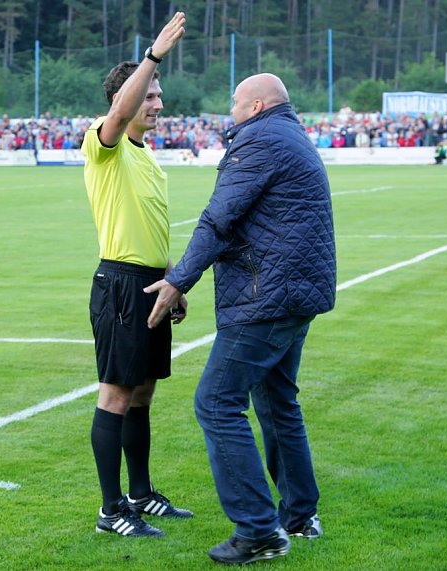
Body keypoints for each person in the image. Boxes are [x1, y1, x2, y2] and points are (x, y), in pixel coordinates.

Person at [144, 73, 336, 564]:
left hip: (266, 295)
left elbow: (218, 219)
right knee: (276, 401)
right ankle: (299, 516)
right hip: (294, 292)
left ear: (255, 105)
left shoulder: (259, 142)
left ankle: (258, 529)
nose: (228, 110)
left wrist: (178, 281)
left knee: (216, 402)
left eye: (233, 101)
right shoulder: (290, 134)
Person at [81, 11, 190, 539]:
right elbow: (120, 114)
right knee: (116, 394)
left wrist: (175, 280)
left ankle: (141, 495)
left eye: (158, 95)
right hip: (120, 284)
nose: (157, 103)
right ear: (126, 98)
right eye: (149, 95)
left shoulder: (150, 159)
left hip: (151, 284)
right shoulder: (105, 144)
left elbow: (153, 228)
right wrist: (153, 55)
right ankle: (109, 510)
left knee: (143, 393)